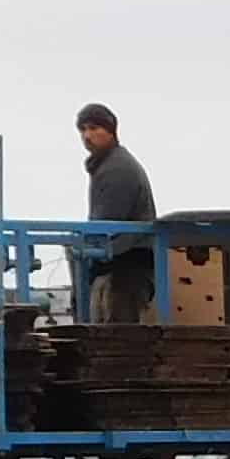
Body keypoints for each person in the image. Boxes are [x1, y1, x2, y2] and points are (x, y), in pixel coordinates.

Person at [75, 103, 158, 319]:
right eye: (83, 129)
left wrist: (87, 247)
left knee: (118, 341)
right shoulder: (106, 165)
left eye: (94, 128)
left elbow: (106, 223)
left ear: (111, 131)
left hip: (127, 267)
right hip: (117, 265)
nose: (87, 135)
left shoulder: (117, 168)